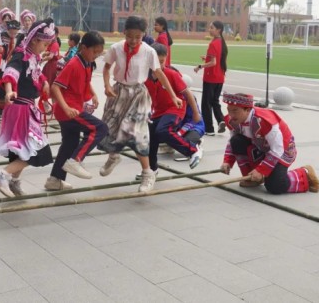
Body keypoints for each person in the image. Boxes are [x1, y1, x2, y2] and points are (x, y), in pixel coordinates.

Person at [98, 15, 183, 193]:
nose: (134, 40)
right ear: (124, 33)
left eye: (138, 37)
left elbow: (159, 73)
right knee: (110, 127)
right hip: (119, 92)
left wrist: (173, 95)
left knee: (136, 133)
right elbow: (106, 68)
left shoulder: (148, 51)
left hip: (138, 95)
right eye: (130, 36)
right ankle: (114, 156)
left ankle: (147, 173)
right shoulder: (116, 48)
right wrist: (106, 85)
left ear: (144, 35)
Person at [0, 19, 56, 197]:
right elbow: (10, 72)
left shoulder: (33, 57)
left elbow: (35, 75)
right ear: (34, 40)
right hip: (20, 108)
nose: (46, 48)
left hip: (25, 107)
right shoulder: (21, 54)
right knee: (39, 152)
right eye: (44, 44)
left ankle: (13, 181)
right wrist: (9, 91)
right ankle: (1, 174)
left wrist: (44, 82)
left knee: (21, 149)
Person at [220, 92, 319, 195]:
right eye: (229, 110)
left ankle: (305, 174)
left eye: (235, 110)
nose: (231, 115)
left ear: (248, 109)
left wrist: (261, 170)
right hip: (260, 147)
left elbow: (278, 149)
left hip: (282, 150)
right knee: (236, 141)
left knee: (275, 186)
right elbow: (232, 141)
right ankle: (252, 177)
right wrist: (227, 162)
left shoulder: (264, 120)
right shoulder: (232, 120)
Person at [47, 31, 108, 190]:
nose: (96, 55)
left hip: (72, 109)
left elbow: (87, 82)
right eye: (94, 52)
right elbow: (55, 87)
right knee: (100, 128)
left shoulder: (86, 63)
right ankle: (75, 161)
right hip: (69, 110)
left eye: (99, 53)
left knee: (70, 143)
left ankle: (54, 180)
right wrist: (66, 108)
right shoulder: (74, 64)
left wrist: (93, 94)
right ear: (83, 48)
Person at [145, 43, 203, 176]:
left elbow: (188, 94)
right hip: (157, 112)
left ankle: (193, 150)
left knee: (163, 130)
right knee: (151, 138)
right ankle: (152, 169)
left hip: (175, 109)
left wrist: (195, 113)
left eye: (162, 61)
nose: (160, 65)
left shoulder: (171, 74)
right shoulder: (145, 76)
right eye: (156, 62)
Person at [194, 20, 227, 136]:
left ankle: (209, 129)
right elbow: (217, 59)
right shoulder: (221, 42)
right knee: (215, 101)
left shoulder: (213, 44)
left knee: (206, 103)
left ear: (218, 30)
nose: (209, 30)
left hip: (211, 77)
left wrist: (200, 66)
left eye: (212, 28)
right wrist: (206, 58)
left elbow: (213, 62)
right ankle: (221, 120)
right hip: (220, 77)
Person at [0, 19, 21, 117]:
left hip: (15, 65)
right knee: (0, 88)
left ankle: (12, 109)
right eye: (11, 32)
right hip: (3, 64)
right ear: (8, 30)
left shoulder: (21, 37)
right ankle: (1, 110)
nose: (13, 34)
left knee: (14, 87)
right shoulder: (2, 35)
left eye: (15, 32)